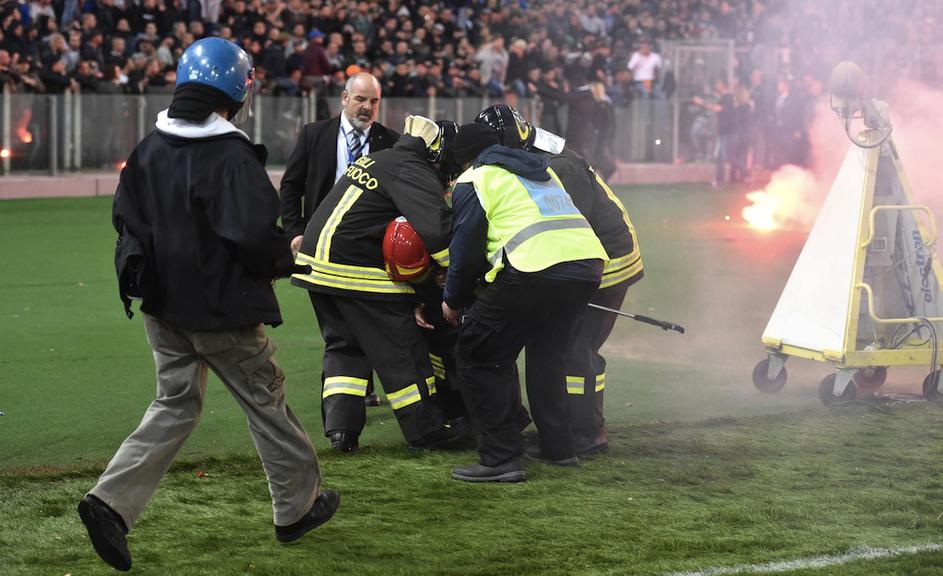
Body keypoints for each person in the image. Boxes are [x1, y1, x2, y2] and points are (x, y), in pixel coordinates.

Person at [78, 38, 338, 573]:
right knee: (265, 402)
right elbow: (252, 235)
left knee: (174, 405)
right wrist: (286, 255)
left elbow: (125, 218)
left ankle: (109, 502)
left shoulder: (149, 147)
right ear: (237, 90)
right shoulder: (230, 154)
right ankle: (297, 508)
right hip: (223, 314)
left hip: (162, 310)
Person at [290, 115, 467, 453]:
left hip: (317, 268)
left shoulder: (381, 158)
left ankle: (342, 431)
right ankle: (425, 430)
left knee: (345, 348)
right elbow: (438, 232)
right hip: (355, 268)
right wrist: (451, 278)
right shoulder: (413, 170)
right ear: (436, 154)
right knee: (402, 346)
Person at [475, 104, 644, 457]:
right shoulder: (538, 155)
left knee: (576, 348)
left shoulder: (559, 166)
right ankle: (567, 431)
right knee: (561, 346)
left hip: (604, 260)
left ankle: (587, 434)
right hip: (585, 258)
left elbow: (566, 228)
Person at [444, 122, 609, 483]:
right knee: (548, 355)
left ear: (465, 159)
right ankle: (559, 447)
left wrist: (452, 300)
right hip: (587, 267)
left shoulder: (475, 178)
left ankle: (500, 458)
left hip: (533, 268)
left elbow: (465, 249)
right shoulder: (541, 171)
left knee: (477, 353)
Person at [280, 71, 399, 410]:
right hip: (320, 247)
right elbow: (290, 186)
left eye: (374, 101)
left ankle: (351, 393)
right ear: (344, 98)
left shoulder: (391, 141)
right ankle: (347, 395)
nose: (367, 107)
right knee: (335, 327)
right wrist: (295, 231)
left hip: (370, 250)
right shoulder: (314, 135)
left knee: (364, 322)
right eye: (360, 99)